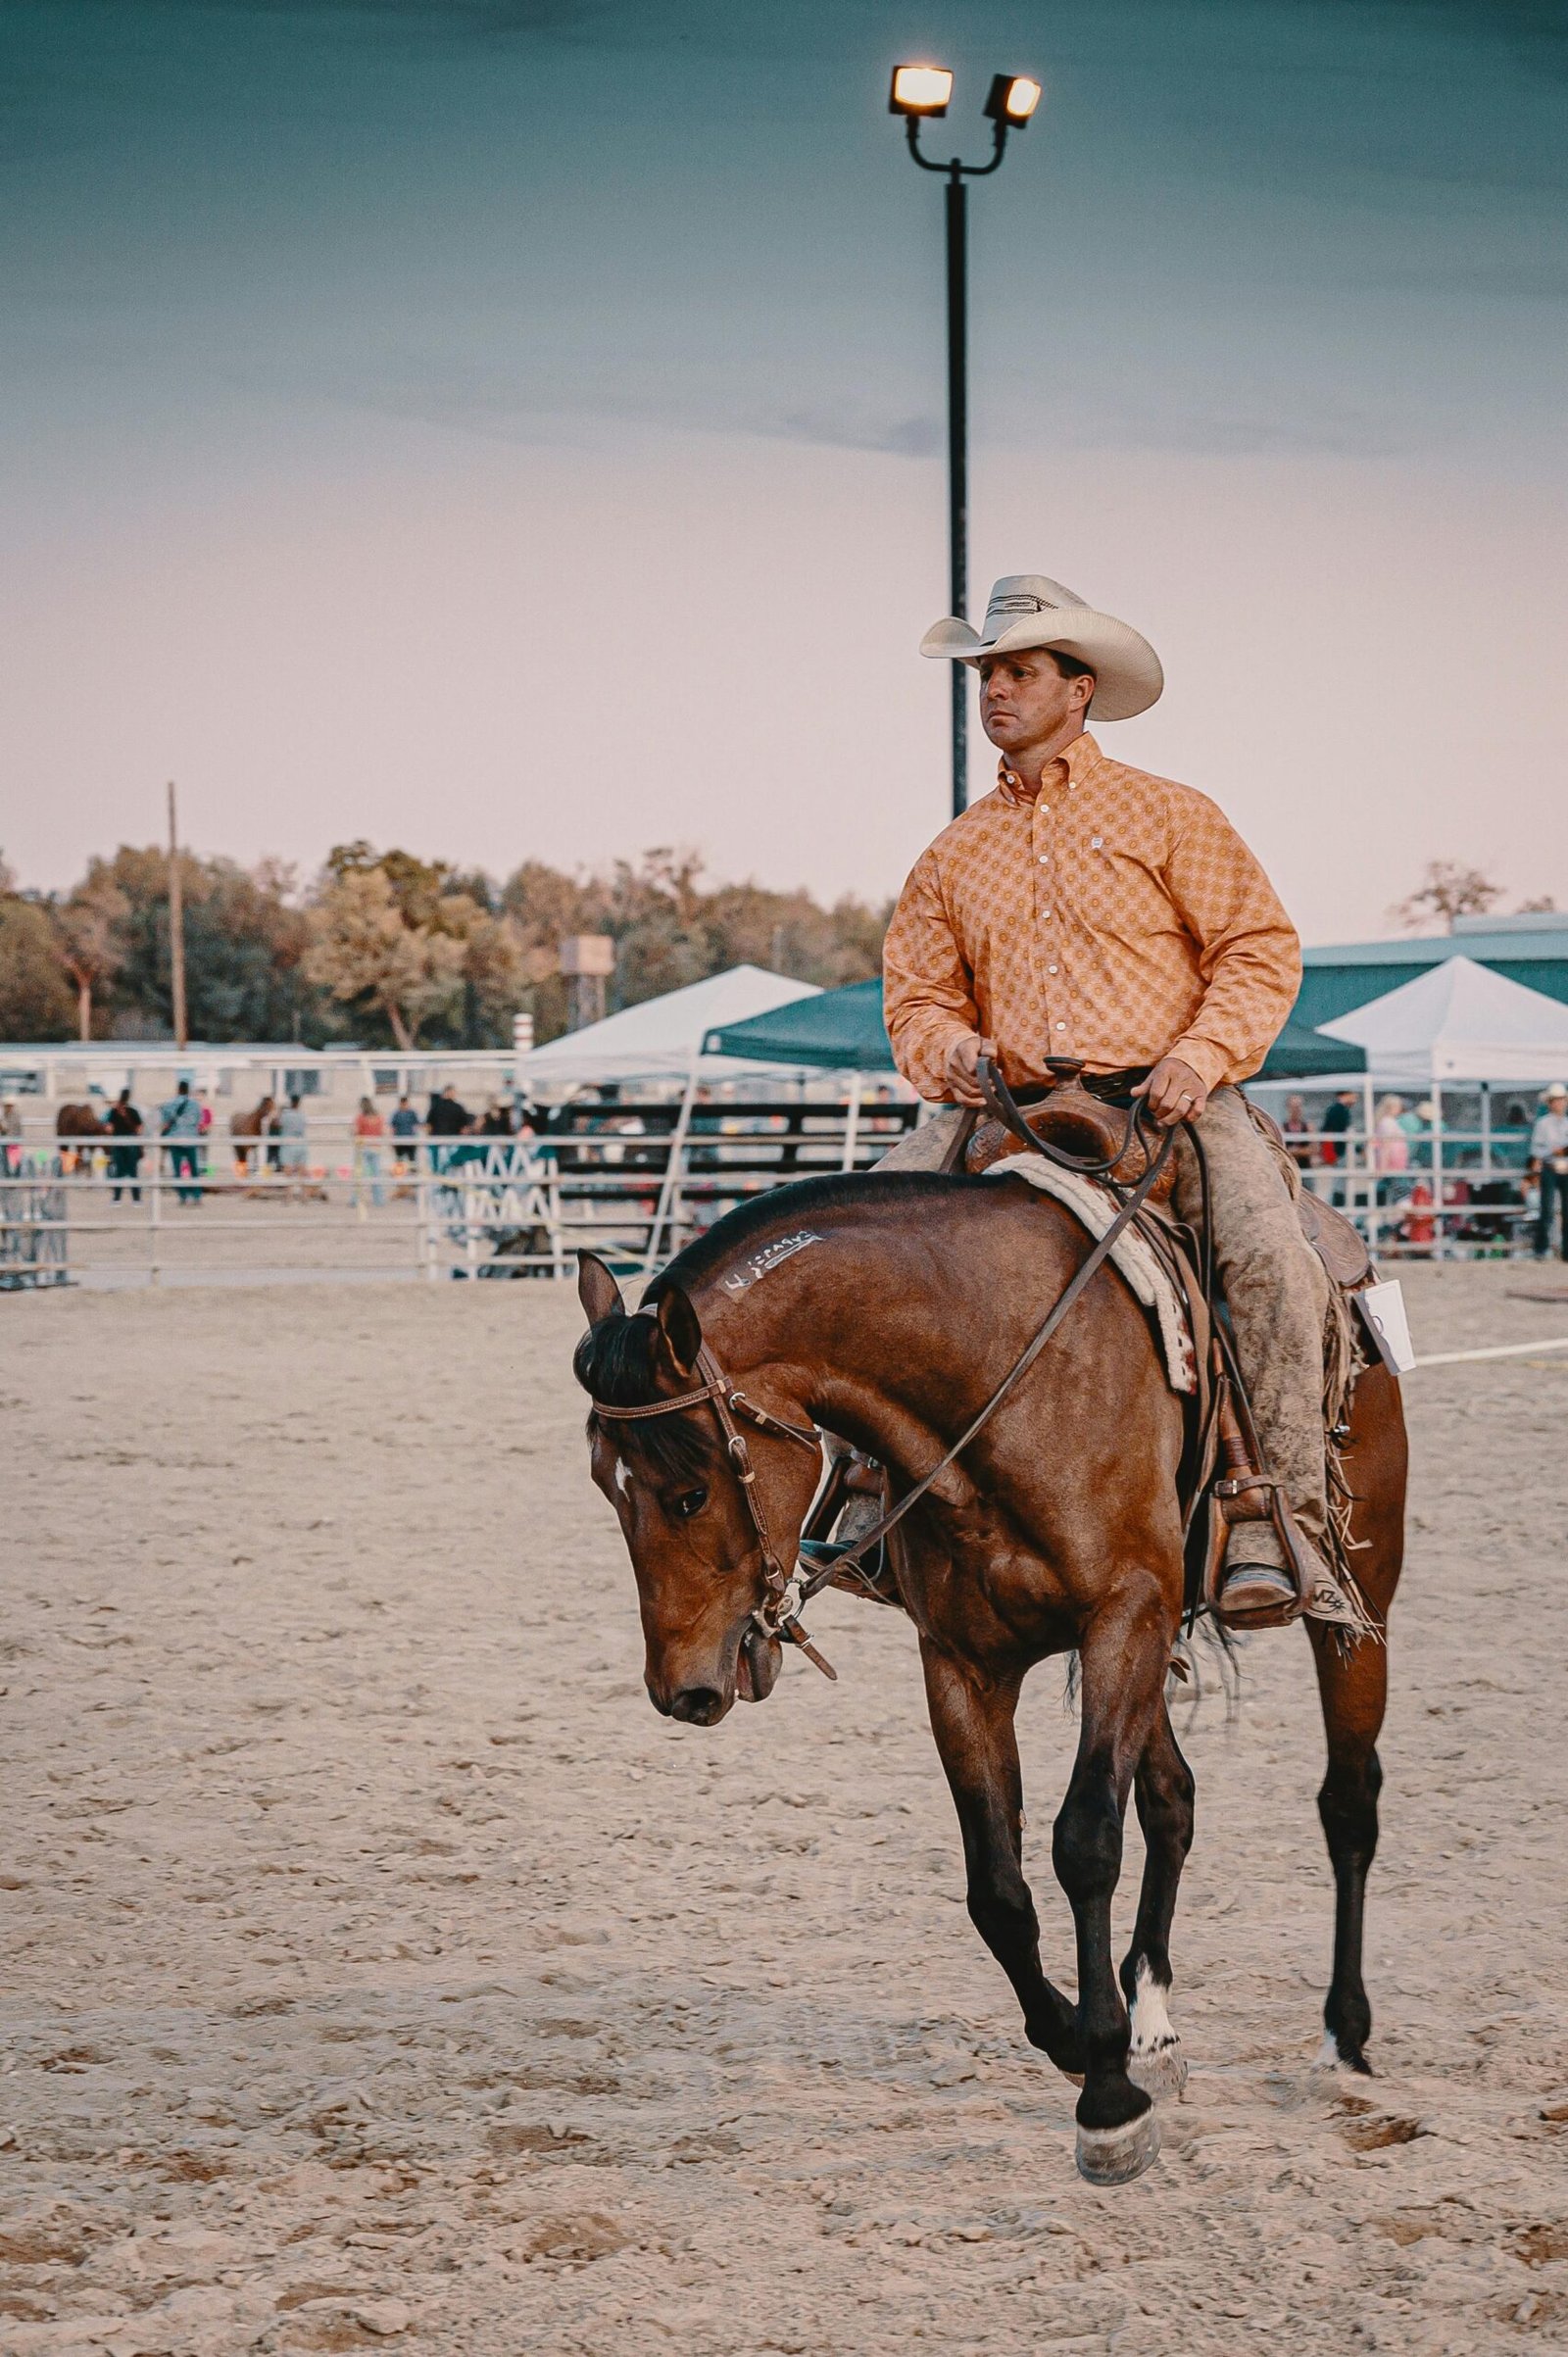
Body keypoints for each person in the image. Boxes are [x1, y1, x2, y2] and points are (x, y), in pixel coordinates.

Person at [879, 570, 1350, 1628]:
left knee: (1272, 1261)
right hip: (1008, 1102)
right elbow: (914, 996)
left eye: (1019, 671)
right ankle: (866, 1496)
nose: (995, 690)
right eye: (986, 673)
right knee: (856, 1235)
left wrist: (1203, 1051)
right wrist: (948, 1045)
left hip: (1169, 1096)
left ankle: (1278, 1516)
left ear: (1078, 687)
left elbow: (1256, 949)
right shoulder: (953, 852)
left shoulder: (1170, 814)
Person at [1530, 1081, 1568, 1260]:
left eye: (1561, 1100)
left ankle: (1565, 1250)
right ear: (1550, 1102)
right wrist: (1554, 1151)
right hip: (1550, 1168)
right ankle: (1541, 1248)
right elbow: (1536, 1150)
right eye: (1556, 1100)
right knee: (1547, 1208)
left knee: (1566, 1210)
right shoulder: (1543, 1124)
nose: (1559, 1103)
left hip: (1565, 1169)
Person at [159, 1077, 204, 1205]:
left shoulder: (169, 1104)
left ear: (178, 1090)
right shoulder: (195, 1105)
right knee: (194, 1170)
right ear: (188, 1090)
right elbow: (199, 1122)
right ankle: (196, 1196)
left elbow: (164, 1122)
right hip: (191, 1140)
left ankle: (183, 1197)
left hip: (175, 1139)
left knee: (177, 1171)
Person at [105, 1088, 144, 1203]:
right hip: (131, 1143)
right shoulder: (133, 1111)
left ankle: (117, 1199)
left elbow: (109, 1129)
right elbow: (140, 1128)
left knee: (119, 1171)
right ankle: (136, 1199)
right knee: (133, 1172)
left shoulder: (114, 1111)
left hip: (118, 1143)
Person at [1370, 1095, 1410, 1204]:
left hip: (1394, 1163)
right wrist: (1382, 1167)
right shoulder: (1387, 1123)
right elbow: (1385, 1145)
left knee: (1390, 1192)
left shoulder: (1388, 1122)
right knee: (1402, 1193)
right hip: (1393, 1164)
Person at [352, 1095, 387, 1209]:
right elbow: (382, 1131)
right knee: (376, 1174)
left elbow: (356, 1131)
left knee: (359, 1175)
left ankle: (356, 1200)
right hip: (376, 1147)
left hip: (363, 1147)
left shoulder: (361, 1117)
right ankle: (379, 1200)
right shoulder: (378, 1117)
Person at [275, 1092, 309, 1201]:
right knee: (302, 1170)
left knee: (288, 1171)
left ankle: (288, 1196)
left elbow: (277, 1123)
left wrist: (280, 1112)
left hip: (288, 1143)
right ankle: (304, 1195)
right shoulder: (302, 1115)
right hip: (301, 1142)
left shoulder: (285, 1115)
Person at [389, 1093, 421, 1195]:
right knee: (399, 1161)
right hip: (399, 1141)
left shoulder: (412, 1113)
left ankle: (414, 1181)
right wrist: (393, 1140)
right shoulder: (396, 1114)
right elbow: (393, 1128)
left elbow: (417, 1125)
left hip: (410, 1140)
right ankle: (399, 1181)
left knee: (412, 1161)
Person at [1282, 1093, 1313, 1170]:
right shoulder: (1282, 1128)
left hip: (1305, 1167)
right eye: (1293, 1107)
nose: (1295, 1110)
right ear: (1288, 1108)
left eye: (1298, 1107)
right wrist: (1303, 1151)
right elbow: (1281, 1151)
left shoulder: (1309, 1126)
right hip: (1289, 1168)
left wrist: (1295, 1151)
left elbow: (1314, 1149)